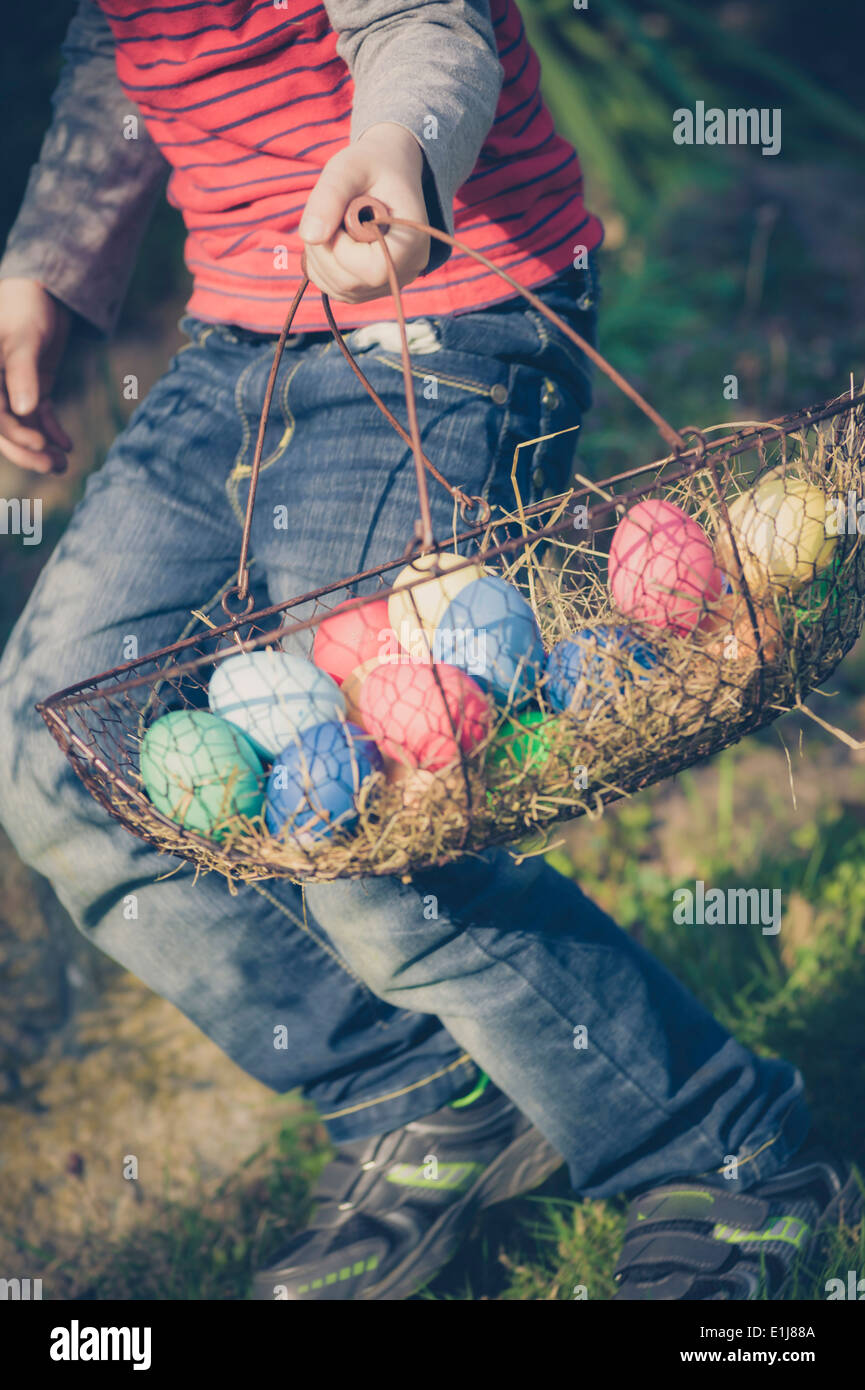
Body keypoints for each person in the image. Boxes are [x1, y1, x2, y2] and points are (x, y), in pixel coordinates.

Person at [0, 0, 857, 1302]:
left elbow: (423, 19)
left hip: (439, 315)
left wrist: (399, 140)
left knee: (377, 803)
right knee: (50, 748)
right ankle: (420, 1091)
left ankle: (719, 1150)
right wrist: (47, 266)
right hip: (239, 335)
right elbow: (127, 42)